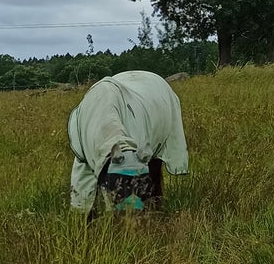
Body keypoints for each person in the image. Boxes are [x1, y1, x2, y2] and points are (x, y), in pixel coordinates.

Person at [68, 70, 189, 217]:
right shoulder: (86, 125)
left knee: (153, 168)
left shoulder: (138, 133)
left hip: (145, 105)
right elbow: (82, 164)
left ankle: (150, 206)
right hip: (110, 153)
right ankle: (85, 218)